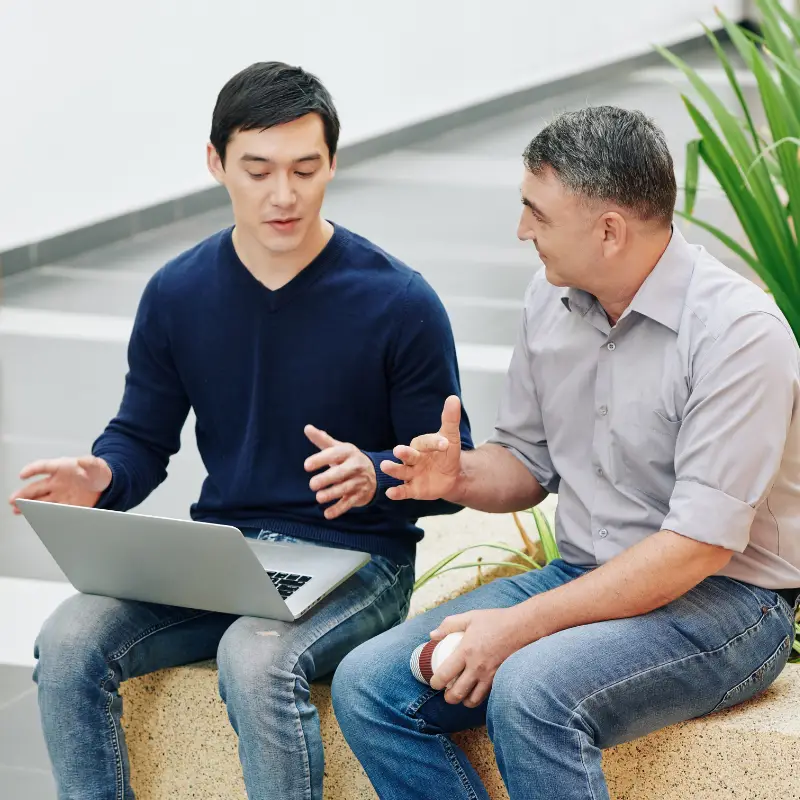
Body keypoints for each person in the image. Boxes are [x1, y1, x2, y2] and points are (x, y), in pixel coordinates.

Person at [9, 61, 472, 800]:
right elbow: (141, 436)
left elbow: (448, 474)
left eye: (304, 168)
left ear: (332, 164)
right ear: (215, 162)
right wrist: (101, 476)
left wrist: (380, 472)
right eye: (257, 170)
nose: (282, 194)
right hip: (229, 556)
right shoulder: (177, 293)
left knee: (256, 660)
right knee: (66, 642)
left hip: (361, 563)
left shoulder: (400, 301)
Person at [331, 106, 800, 800]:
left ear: (608, 230)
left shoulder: (739, 334)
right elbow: (526, 464)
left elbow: (695, 548)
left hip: (730, 603)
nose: (522, 231)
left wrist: (513, 629)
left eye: (538, 214)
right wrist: (459, 475)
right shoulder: (550, 302)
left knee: (532, 693)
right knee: (369, 685)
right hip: (583, 574)